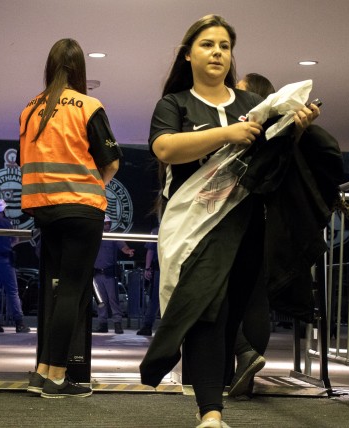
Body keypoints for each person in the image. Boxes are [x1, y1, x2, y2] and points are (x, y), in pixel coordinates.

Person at [139, 15, 319, 428]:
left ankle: (211, 401)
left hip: (248, 226)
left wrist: (294, 129)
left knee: (233, 320)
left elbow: (272, 160)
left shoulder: (247, 107)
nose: (217, 52)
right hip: (196, 230)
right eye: (207, 44)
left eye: (224, 45)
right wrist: (227, 136)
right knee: (207, 314)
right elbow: (165, 148)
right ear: (189, 55)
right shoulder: (175, 105)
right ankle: (211, 413)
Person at [20, 38, 121, 399]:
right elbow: (111, 162)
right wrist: (95, 184)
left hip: (43, 210)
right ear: (80, 69)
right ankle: (58, 377)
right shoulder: (88, 105)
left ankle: (42, 371)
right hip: (80, 208)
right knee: (73, 292)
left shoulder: (31, 108)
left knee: (53, 289)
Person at [226, 72, 276, 397]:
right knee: (257, 297)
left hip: (236, 215)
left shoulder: (247, 126)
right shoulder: (280, 130)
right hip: (270, 221)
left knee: (218, 294)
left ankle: (243, 353)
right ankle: (248, 374)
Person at [0, 198, 30, 333]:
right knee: (12, 292)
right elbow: (14, 240)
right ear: (2, 209)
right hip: (5, 260)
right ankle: (19, 323)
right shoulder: (6, 223)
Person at [94, 215, 134, 334]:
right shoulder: (96, 236)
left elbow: (123, 246)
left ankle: (117, 324)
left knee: (113, 299)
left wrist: (127, 250)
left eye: (109, 224)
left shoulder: (113, 236)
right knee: (101, 301)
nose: (107, 226)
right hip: (97, 273)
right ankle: (103, 324)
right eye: (106, 224)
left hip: (109, 274)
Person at [137, 225, 160, 336]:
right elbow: (150, 251)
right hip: (164, 268)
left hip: (162, 268)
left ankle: (147, 326)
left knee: (155, 299)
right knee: (155, 298)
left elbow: (150, 251)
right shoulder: (156, 230)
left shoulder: (157, 230)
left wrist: (147, 267)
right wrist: (147, 267)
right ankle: (147, 325)